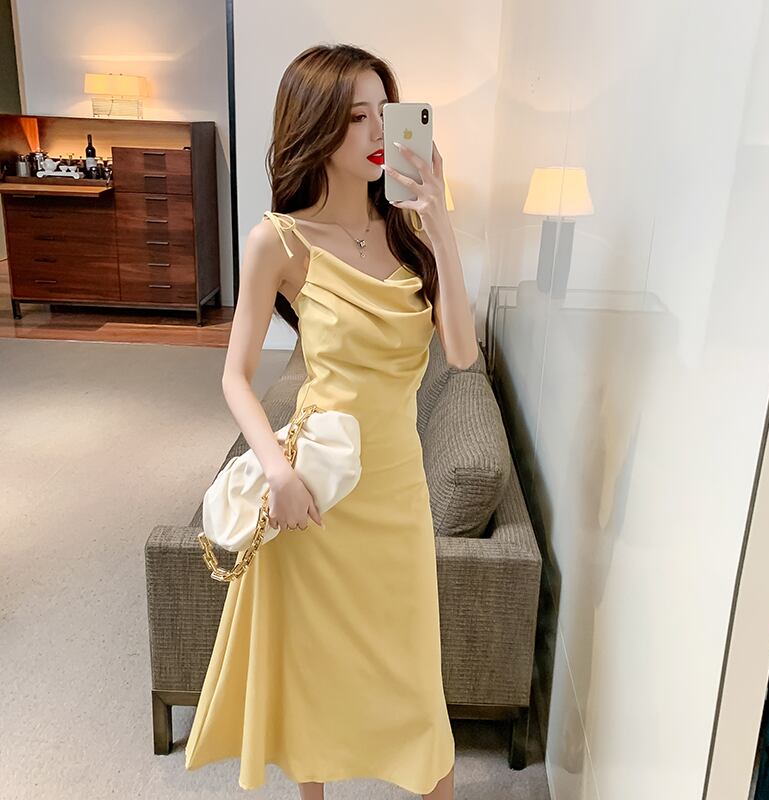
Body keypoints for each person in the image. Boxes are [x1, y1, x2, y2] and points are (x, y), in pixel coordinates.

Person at [184, 43, 479, 800]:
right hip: (318, 491)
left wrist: (442, 225)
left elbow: (461, 353)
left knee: (417, 693)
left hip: (397, 496)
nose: (377, 131)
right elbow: (234, 376)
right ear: (315, 127)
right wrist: (277, 472)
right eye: (355, 117)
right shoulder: (278, 241)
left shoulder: (409, 232)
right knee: (312, 680)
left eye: (384, 112)